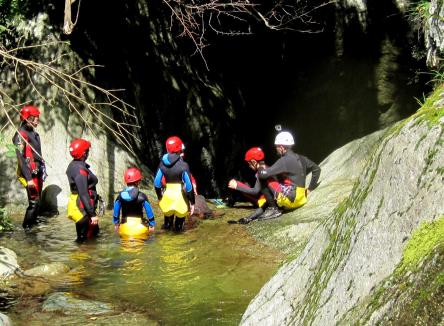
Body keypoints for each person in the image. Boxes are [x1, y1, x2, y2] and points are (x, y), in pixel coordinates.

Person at [257, 131, 321, 220]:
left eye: (277, 147)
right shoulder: (302, 158)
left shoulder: (284, 160)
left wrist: (260, 166)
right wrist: (310, 188)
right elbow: (317, 169)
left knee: (263, 178)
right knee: (277, 177)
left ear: (282, 147)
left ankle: (273, 209)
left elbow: (262, 175)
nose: (276, 149)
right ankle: (276, 205)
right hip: (302, 198)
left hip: (291, 200)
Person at [13, 105, 47, 228]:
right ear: (27, 118)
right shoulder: (20, 135)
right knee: (34, 202)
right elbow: (21, 159)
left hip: (37, 170)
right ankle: (27, 228)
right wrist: (28, 179)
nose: (38, 120)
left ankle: (33, 223)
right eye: (35, 118)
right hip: (29, 173)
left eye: (37, 117)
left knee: (38, 201)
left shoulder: (32, 132)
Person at [227, 147, 281, 224]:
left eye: (249, 163)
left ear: (254, 162)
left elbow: (255, 191)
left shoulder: (261, 172)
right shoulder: (266, 167)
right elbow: (266, 203)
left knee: (239, 185)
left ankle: (230, 201)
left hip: (275, 201)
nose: (249, 166)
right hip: (276, 199)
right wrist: (248, 218)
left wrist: (237, 186)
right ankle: (273, 209)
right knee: (243, 185)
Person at [154, 136, 195, 232]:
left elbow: (156, 183)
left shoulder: (162, 164)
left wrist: (160, 197)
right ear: (179, 149)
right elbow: (189, 187)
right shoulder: (184, 165)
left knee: (167, 226)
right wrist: (192, 202)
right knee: (179, 229)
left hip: (167, 197)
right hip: (180, 199)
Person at [66, 139, 99, 242]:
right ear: (84, 153)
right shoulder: (79, 170)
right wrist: (92, 215)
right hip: (81, 208)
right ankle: (81, 258)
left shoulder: (75, 164)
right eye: (88, 150)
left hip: (82, 206)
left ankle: (89, 257)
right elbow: (83, 193)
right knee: (82, 241)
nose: (88, 152)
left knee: (93, 235)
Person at [113, 167, 155, 240]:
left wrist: (116, 224)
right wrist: (152, 225)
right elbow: (149, 212)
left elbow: (116, 212)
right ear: (137, 182)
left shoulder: (120, 196)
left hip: (125, 228)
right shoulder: (142, 196)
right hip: (140, 228)